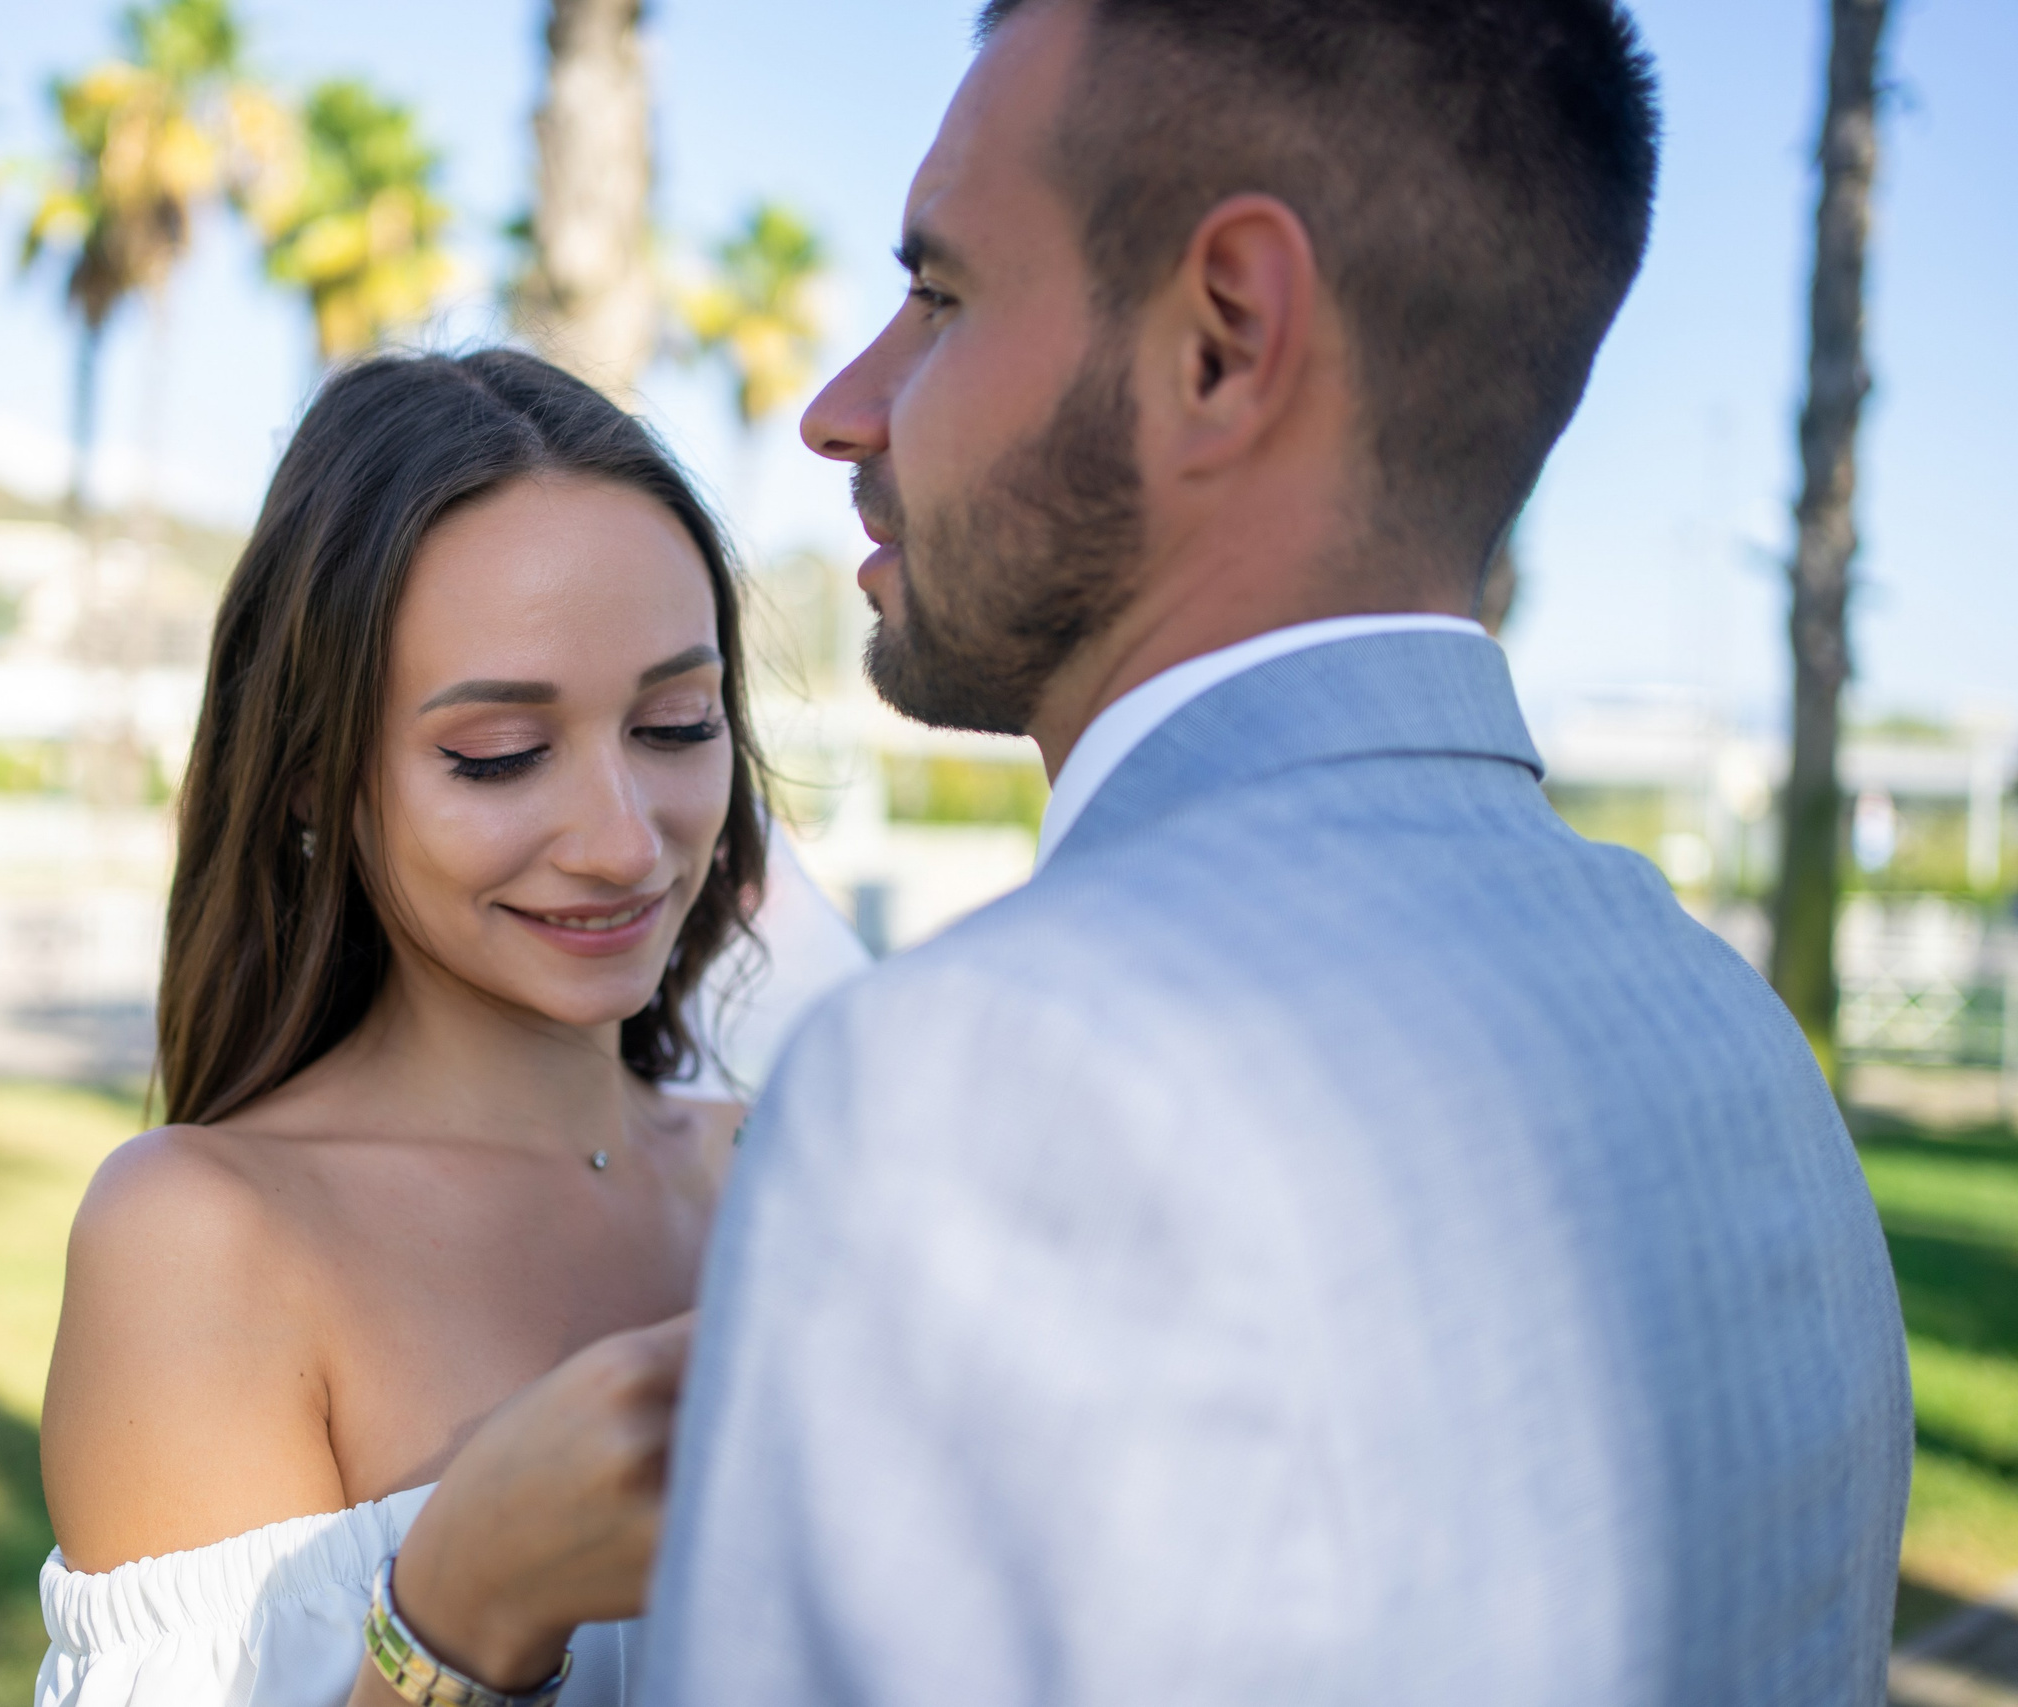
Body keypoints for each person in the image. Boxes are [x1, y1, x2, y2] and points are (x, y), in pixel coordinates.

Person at [641, 2, 1913, 1703]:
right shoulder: (1731, 1035)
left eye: (938, 295)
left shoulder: (982, 1087)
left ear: (1225, 341)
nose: (840, 406)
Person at [33, 350, 863, 1707]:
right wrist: (465, 1605)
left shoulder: (808, 1166)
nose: (620, 841)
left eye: (675, 723)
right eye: (497, 755)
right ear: (314, 783)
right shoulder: (205, 1239)